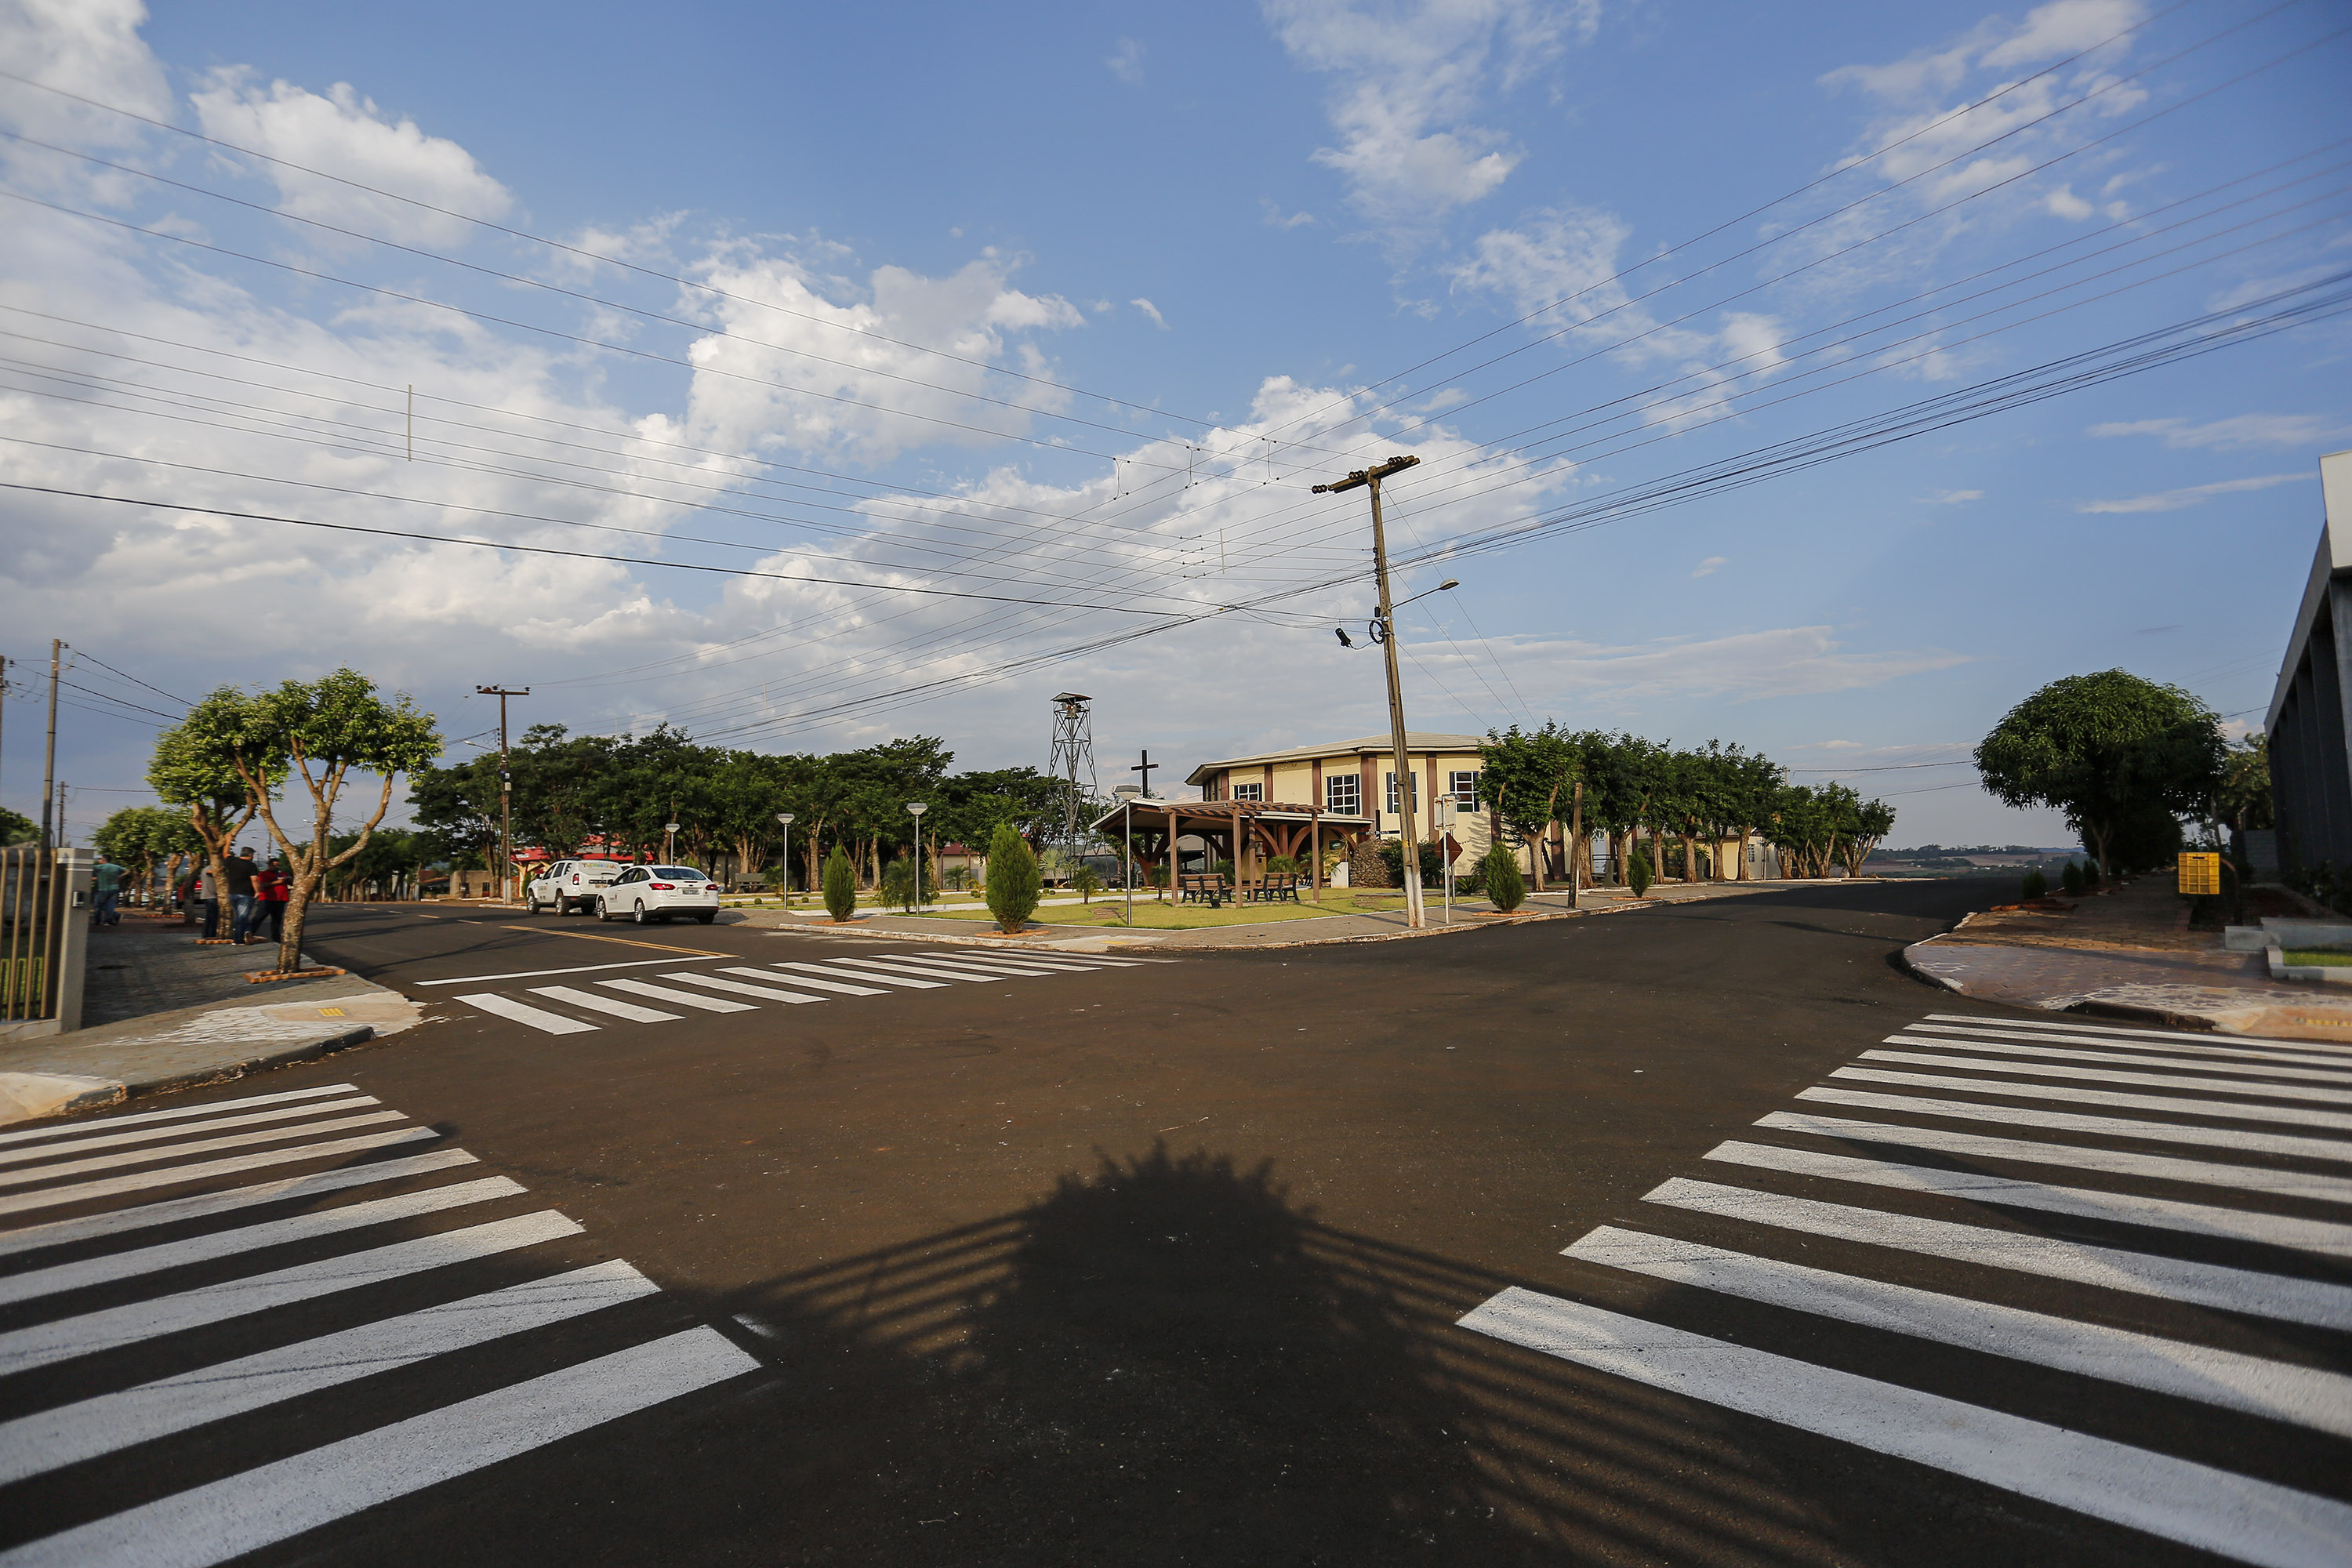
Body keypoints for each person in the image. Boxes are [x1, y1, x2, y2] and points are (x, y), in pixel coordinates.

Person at [224, 847, 262, 944]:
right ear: (250, 855)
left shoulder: (232, 861)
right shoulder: (251, 865)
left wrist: (228, 840)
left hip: (232, 893)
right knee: (242, 917)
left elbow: (225, 853)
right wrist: (257, 891)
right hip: (246, 894)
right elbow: (254, 880)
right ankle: (238, 939)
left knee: (240, 916)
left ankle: (247, 931)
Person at [256, 858, 291, 946]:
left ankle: (276, 938)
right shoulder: (264, 874)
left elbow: (292, 882)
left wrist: (288, 880)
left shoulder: (283, 874)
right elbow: (262, 885)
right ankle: (250, 932)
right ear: (270, 865)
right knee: (259, 917)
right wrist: (277, 882)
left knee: (277, 920)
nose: (277, 867)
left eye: (278, 865)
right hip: (267, 899)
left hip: (281, 900)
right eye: (275, 865)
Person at [89, 853, 126, 928]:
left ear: (103, 860)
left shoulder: (99, 867)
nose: (99, 860)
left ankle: (97, 920)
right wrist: (119, 877)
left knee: (98, 905)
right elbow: (127, 871)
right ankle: (108, 920)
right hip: (115, 888)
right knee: (110, 905)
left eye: (100, 859)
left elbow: (87, 869)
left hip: (103, 889)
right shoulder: (116, 867)